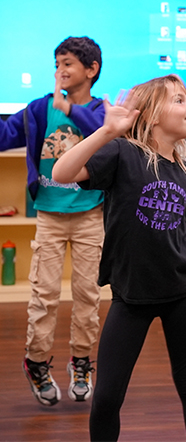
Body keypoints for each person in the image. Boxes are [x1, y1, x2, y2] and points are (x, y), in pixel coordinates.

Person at [52, 74, 186, 442]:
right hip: (131, 296)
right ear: (153, 115)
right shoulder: (123, 153)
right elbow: (62, 172)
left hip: (183, 291)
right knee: (108, 396)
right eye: (179, 100)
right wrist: (106, 132)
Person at [0, 36, 104, 406]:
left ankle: (81, 362)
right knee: (44, 296)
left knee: (87, 296)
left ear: (91, 71)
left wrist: (73, 110)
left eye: (68, 64)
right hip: (49, 216)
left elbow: (106, 136)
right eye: (57, 63)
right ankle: (37, 363)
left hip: (91, 215)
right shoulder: (38, 109)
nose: (60, 70)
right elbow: (5, 134)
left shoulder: (101, 111)